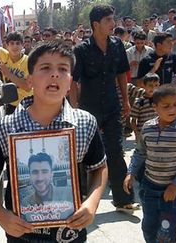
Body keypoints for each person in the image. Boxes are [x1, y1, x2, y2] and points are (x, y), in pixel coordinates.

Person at [0, 41, 108, 242]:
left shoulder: (85, 123)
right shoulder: (7, 126)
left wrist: (92, 203)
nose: (54, 74)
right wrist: (1, 215)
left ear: (71, 80)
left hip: (70, 233)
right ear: (29, 81)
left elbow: (99, 168)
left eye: (63, 69)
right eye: (45, 68)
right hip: (22, 234)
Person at [69, 4, 139, 212]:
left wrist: (125, 101)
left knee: (116, 151)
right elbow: (73, 81)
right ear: (95, 24)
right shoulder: (81, 50)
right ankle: (80, 199)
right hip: (87, 109)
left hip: (112, 106)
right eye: (108, 20)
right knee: (83, 154)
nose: (113, 24)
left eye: (113, 19)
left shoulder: (118, 45)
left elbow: (121, 74)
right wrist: (74, 108)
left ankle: (123, 200)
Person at [123, 84, 176, 243]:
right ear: (155, 107)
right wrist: (131, 172)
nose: (172, 109)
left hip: (173, 193)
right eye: (166, 106)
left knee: (165, 233)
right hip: (149, 188)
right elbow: (140, 152)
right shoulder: (148, 127)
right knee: (148, 228)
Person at [130, 73, 160, 150]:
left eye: (156, 85)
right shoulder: (139, 102)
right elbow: (133, 121)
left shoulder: (160, 101)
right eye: (150, 85)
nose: (153, 88)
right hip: (143, 134)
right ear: (144, 85)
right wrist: (137, 134)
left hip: (157, 133)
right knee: (142, 153)